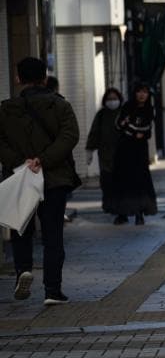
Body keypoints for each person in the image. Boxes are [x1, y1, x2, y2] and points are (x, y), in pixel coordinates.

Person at [0, 57, 80, 305]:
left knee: (21, 226)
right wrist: (42, 160)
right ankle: (52, 291)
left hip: (21, 177)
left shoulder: (6, 109)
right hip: (54, 178)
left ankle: (23, 269)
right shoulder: (60, 105)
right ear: (45, 78)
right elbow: (70, 136)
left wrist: (21, 162)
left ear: (18, 79)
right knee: (52, 234)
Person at [111, 83, 158, 225]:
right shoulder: (127, 106)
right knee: (122, 180)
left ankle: (139, 213)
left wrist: (131, 127)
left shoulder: (150, 109)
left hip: (140, 151)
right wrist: (133, 130)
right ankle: (122, 213)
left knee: (139, 181)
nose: (142, 95)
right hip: (124, 149)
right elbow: (119, 124)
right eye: (139, 91)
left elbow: (145, 129)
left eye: (145, 92)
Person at [86, 88, 124, 223]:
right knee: (107, 182)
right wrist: (89, 150)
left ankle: (121, 210)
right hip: (105, 156)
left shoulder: (124, 113)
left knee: (121, 184)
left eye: (114, 98)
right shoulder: (101, 115)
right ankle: (110, 205)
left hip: (122, 156)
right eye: (109, 99)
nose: (112, 101)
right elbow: (94, 132)